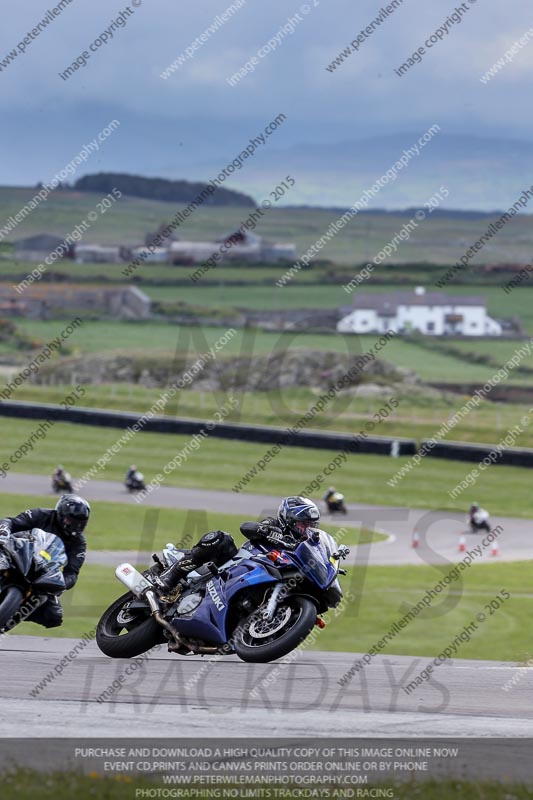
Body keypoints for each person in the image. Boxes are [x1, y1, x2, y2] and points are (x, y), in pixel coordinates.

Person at [156, 496, 321, 592]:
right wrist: (269, 532)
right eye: (303, 524)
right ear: (289, 519)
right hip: (236, 565)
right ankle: (171, 575)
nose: (306, 529)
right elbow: (247, 527)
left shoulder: (302, 546)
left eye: (310, 526)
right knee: (221, 538)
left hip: (263, 579)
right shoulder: (274, 524)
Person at [0, 494, 90, 628]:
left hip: (42, 572)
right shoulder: (41, 515)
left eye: (80, 522)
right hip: (16, 554)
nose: (75, 525)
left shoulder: (79, 543)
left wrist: (62, 584)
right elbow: (11, 522)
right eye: (70, 520)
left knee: (54, 615)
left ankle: (8, 616)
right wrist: (4, 530)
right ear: (60, 514)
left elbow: (72, 573)